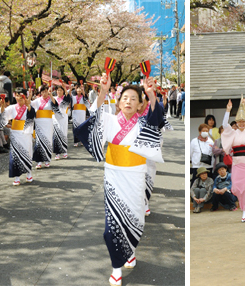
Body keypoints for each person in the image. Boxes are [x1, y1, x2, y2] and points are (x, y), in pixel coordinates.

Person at [73, 73, 163, 286]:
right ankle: (116, 267)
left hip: (136, 176)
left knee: (134, 218)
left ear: (140, 104)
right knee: (111, 226)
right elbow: (94, 116)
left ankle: (129, 250)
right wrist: (103, 91)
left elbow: (157, 118)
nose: (129, 101)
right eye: (125, 97)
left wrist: (151, 95)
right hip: (114, 176)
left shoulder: (144, 123)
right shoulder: (110, 120)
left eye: (134, 98)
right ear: (119, 101)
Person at [0, 88, 36, 185]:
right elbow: (2, 116)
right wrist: (2, 106)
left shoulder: (28, 107)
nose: (19, 98)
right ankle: (17, 177)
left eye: (21, 97)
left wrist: (28, 104)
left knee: (27, 152)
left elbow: (32, 114)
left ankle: (28, 173)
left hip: (25, 133)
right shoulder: (12, 107)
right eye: (17, 96)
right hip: (15, 133)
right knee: (16, 155)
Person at [31, 85, 60, 169]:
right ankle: (39, 161)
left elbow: (56, 105)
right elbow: (29, 105)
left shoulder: (51, 100)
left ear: (48, 91)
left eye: (45, 91)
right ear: (40, 93)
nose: (44, 93)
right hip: (39, 122)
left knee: (47, 140)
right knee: (39, 141)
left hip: (48, 122)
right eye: (42, 92)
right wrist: (29, 96)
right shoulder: (37, 101)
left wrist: (51, 96)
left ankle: (47, 160)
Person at [52, 86, 70, 159]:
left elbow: (68, 96)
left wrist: (65, 88)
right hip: (55, 118)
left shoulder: (65, 99)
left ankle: (64, 151)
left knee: (64, 134)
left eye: (60, 90)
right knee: (56, 135)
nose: (59, 92)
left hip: (63, 118)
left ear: (63, 91)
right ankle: (57, 153)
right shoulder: (54, 99)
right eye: (58, 90)